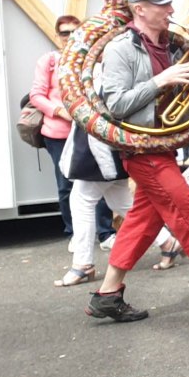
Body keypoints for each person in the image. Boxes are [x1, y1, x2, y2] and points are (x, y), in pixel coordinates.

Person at [85, 0, 189, 322]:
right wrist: (161, 81)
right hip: (142, 148)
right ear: (139, 10)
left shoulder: (173, 43)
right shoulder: (121, 49)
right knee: (186, 211)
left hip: (164, 145)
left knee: (142, 221)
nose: (171, 10)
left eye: (170, 3)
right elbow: (117, 105)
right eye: (163, 4)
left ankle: (108, 293)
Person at [30, 14, 115, 250]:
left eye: (74, 32)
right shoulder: (48, 61)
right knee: (66, 185)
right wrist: (60, 111)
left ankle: (105, 233)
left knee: (99, 181)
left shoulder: (94, 61)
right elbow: (36, 95)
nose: (69, 37)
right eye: (64, 33)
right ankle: (75, 235)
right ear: (57, 36)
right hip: (58, 132)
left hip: (90, 131)